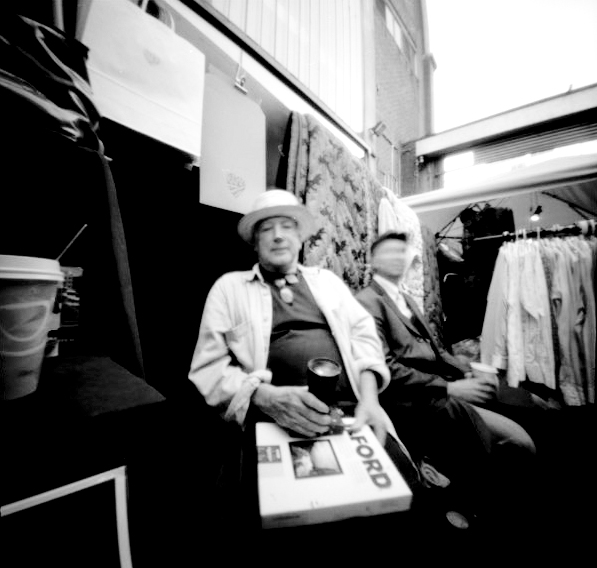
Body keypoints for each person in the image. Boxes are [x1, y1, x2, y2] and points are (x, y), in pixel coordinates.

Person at [188, 190, 420, 531]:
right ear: (255, 242)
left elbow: (364, 337)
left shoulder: (328, 282)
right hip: (271, 418)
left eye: (287, 226)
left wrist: (371, 400)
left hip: (350, 412)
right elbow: (208, 368)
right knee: (277, 516)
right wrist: (263, 396)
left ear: (300, 237)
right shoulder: (229, 288)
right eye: (267, 228)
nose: (278, 235)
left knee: (400, 500)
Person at [356, 230, 539, 526]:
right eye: (388, 252)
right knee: (519, 442)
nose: (397, 258)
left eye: (402, 252)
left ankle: (481, 494)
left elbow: (437, 351)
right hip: (415, 401)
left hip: (441, 386)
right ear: (373, 260)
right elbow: (385, 367)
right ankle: (474, 503)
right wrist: (450, 388)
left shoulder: (405, 298)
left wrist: (467, 370)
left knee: (519, 403)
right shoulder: (367, 301)